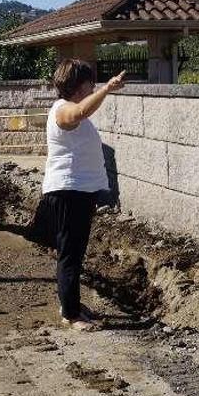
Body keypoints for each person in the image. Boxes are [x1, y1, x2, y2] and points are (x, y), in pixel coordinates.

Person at [35, 60, 125, 331]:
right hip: (68, 192)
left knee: (73, 251)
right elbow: (78, 114)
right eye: (90, 83)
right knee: (70, 254)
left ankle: (70, 303)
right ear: (78, 86)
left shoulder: (66, 108)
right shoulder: (63, 110)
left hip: (77, 192)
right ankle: (71, 315)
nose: (93, 87)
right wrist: (108, 89)